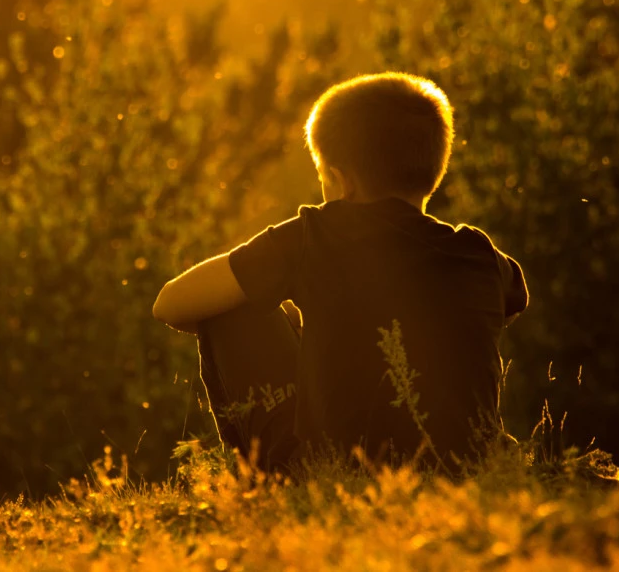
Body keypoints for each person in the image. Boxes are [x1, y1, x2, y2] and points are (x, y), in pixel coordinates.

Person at [153, 72, 528, 473]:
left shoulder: (314, 237)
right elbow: (512, 300)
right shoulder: (480, 255)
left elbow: (171, 304)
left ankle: (268, 480)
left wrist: (284, 306)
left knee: (229, 308)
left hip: (331, 470)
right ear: (433, 172)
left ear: (339, 180)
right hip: (462, 468)